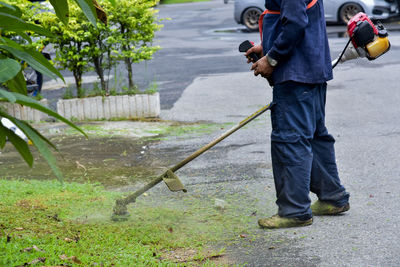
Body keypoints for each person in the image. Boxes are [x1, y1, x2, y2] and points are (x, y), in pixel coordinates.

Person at [245, 0, 350, 229]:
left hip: (296, 72)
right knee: (314, 135)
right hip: (310, 67)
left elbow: (294, 23)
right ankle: (333, 196)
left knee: (290, 139)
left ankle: (294, 211)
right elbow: (296, 17)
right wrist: (268, 47)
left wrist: (272, 58)